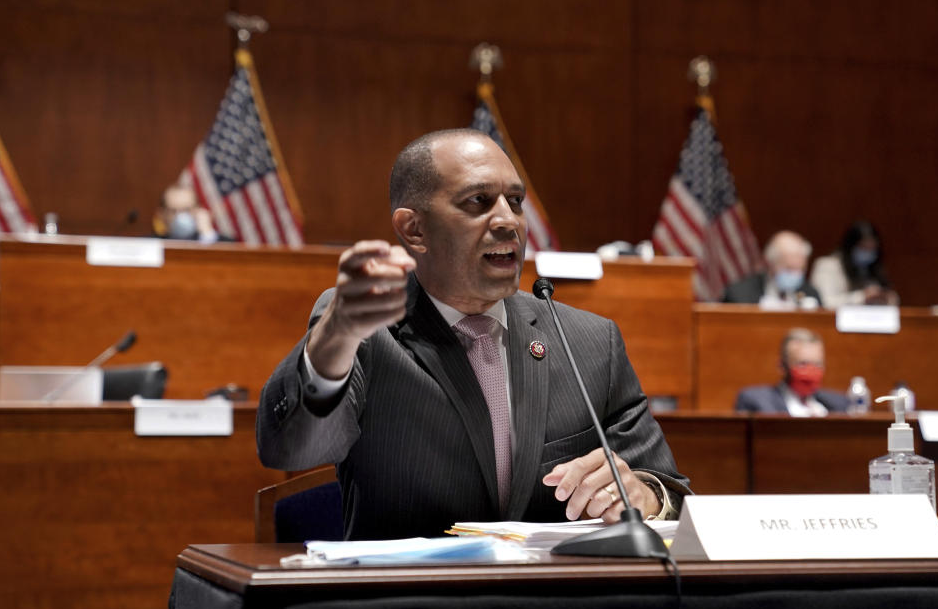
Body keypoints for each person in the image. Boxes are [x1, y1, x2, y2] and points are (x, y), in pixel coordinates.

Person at [256, 129, 690, 540]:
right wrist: (336, 336)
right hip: (408, 606)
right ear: (414, 229)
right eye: (478, 202)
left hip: (555, 608)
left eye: (515, 201)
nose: (509, 221)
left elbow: (678, 498)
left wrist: (644, 495)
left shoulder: (589, 342)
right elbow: (291, 449)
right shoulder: (364, 333)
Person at [735, 328, 849, 416]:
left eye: (817, 364)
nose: (811, 371)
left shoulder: (839, 404)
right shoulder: (756, 403)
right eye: (802, 364)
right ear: (782, 366)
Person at [809, 220, 899, 308]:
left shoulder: (873, 268)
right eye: (863, 247)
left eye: (872, 248)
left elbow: (891, 297)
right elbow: (823, 302)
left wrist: (886, 298)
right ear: (850, 246)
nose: (868, 253)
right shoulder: (828, 265)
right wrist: (861, 297)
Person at [721, 230, 822, 309]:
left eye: (800, 269)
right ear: (770, 263)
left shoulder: (810, 293)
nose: (795, 274)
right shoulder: (740, 294)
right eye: (789, 269)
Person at [153, 185, 221, 243]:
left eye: (187, 210)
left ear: (198, 210)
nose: (180, 217)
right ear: (162, 214)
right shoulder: (150, 245)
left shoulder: (226, 244)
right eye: (173, 211)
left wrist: (207, 235)